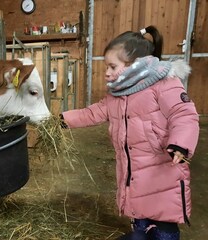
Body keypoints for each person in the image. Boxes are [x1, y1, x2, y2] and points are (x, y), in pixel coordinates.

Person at [61, 26, 200, 240]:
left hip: (164, 175)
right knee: (140, 221)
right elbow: (92, 113)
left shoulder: (164, 84)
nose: (106, 72)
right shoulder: (117, 96)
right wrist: (63, 120)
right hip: (133, 174)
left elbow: (184, 114)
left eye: (112, 66)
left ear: (136, 64)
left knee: (164, 231)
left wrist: (181, 143)